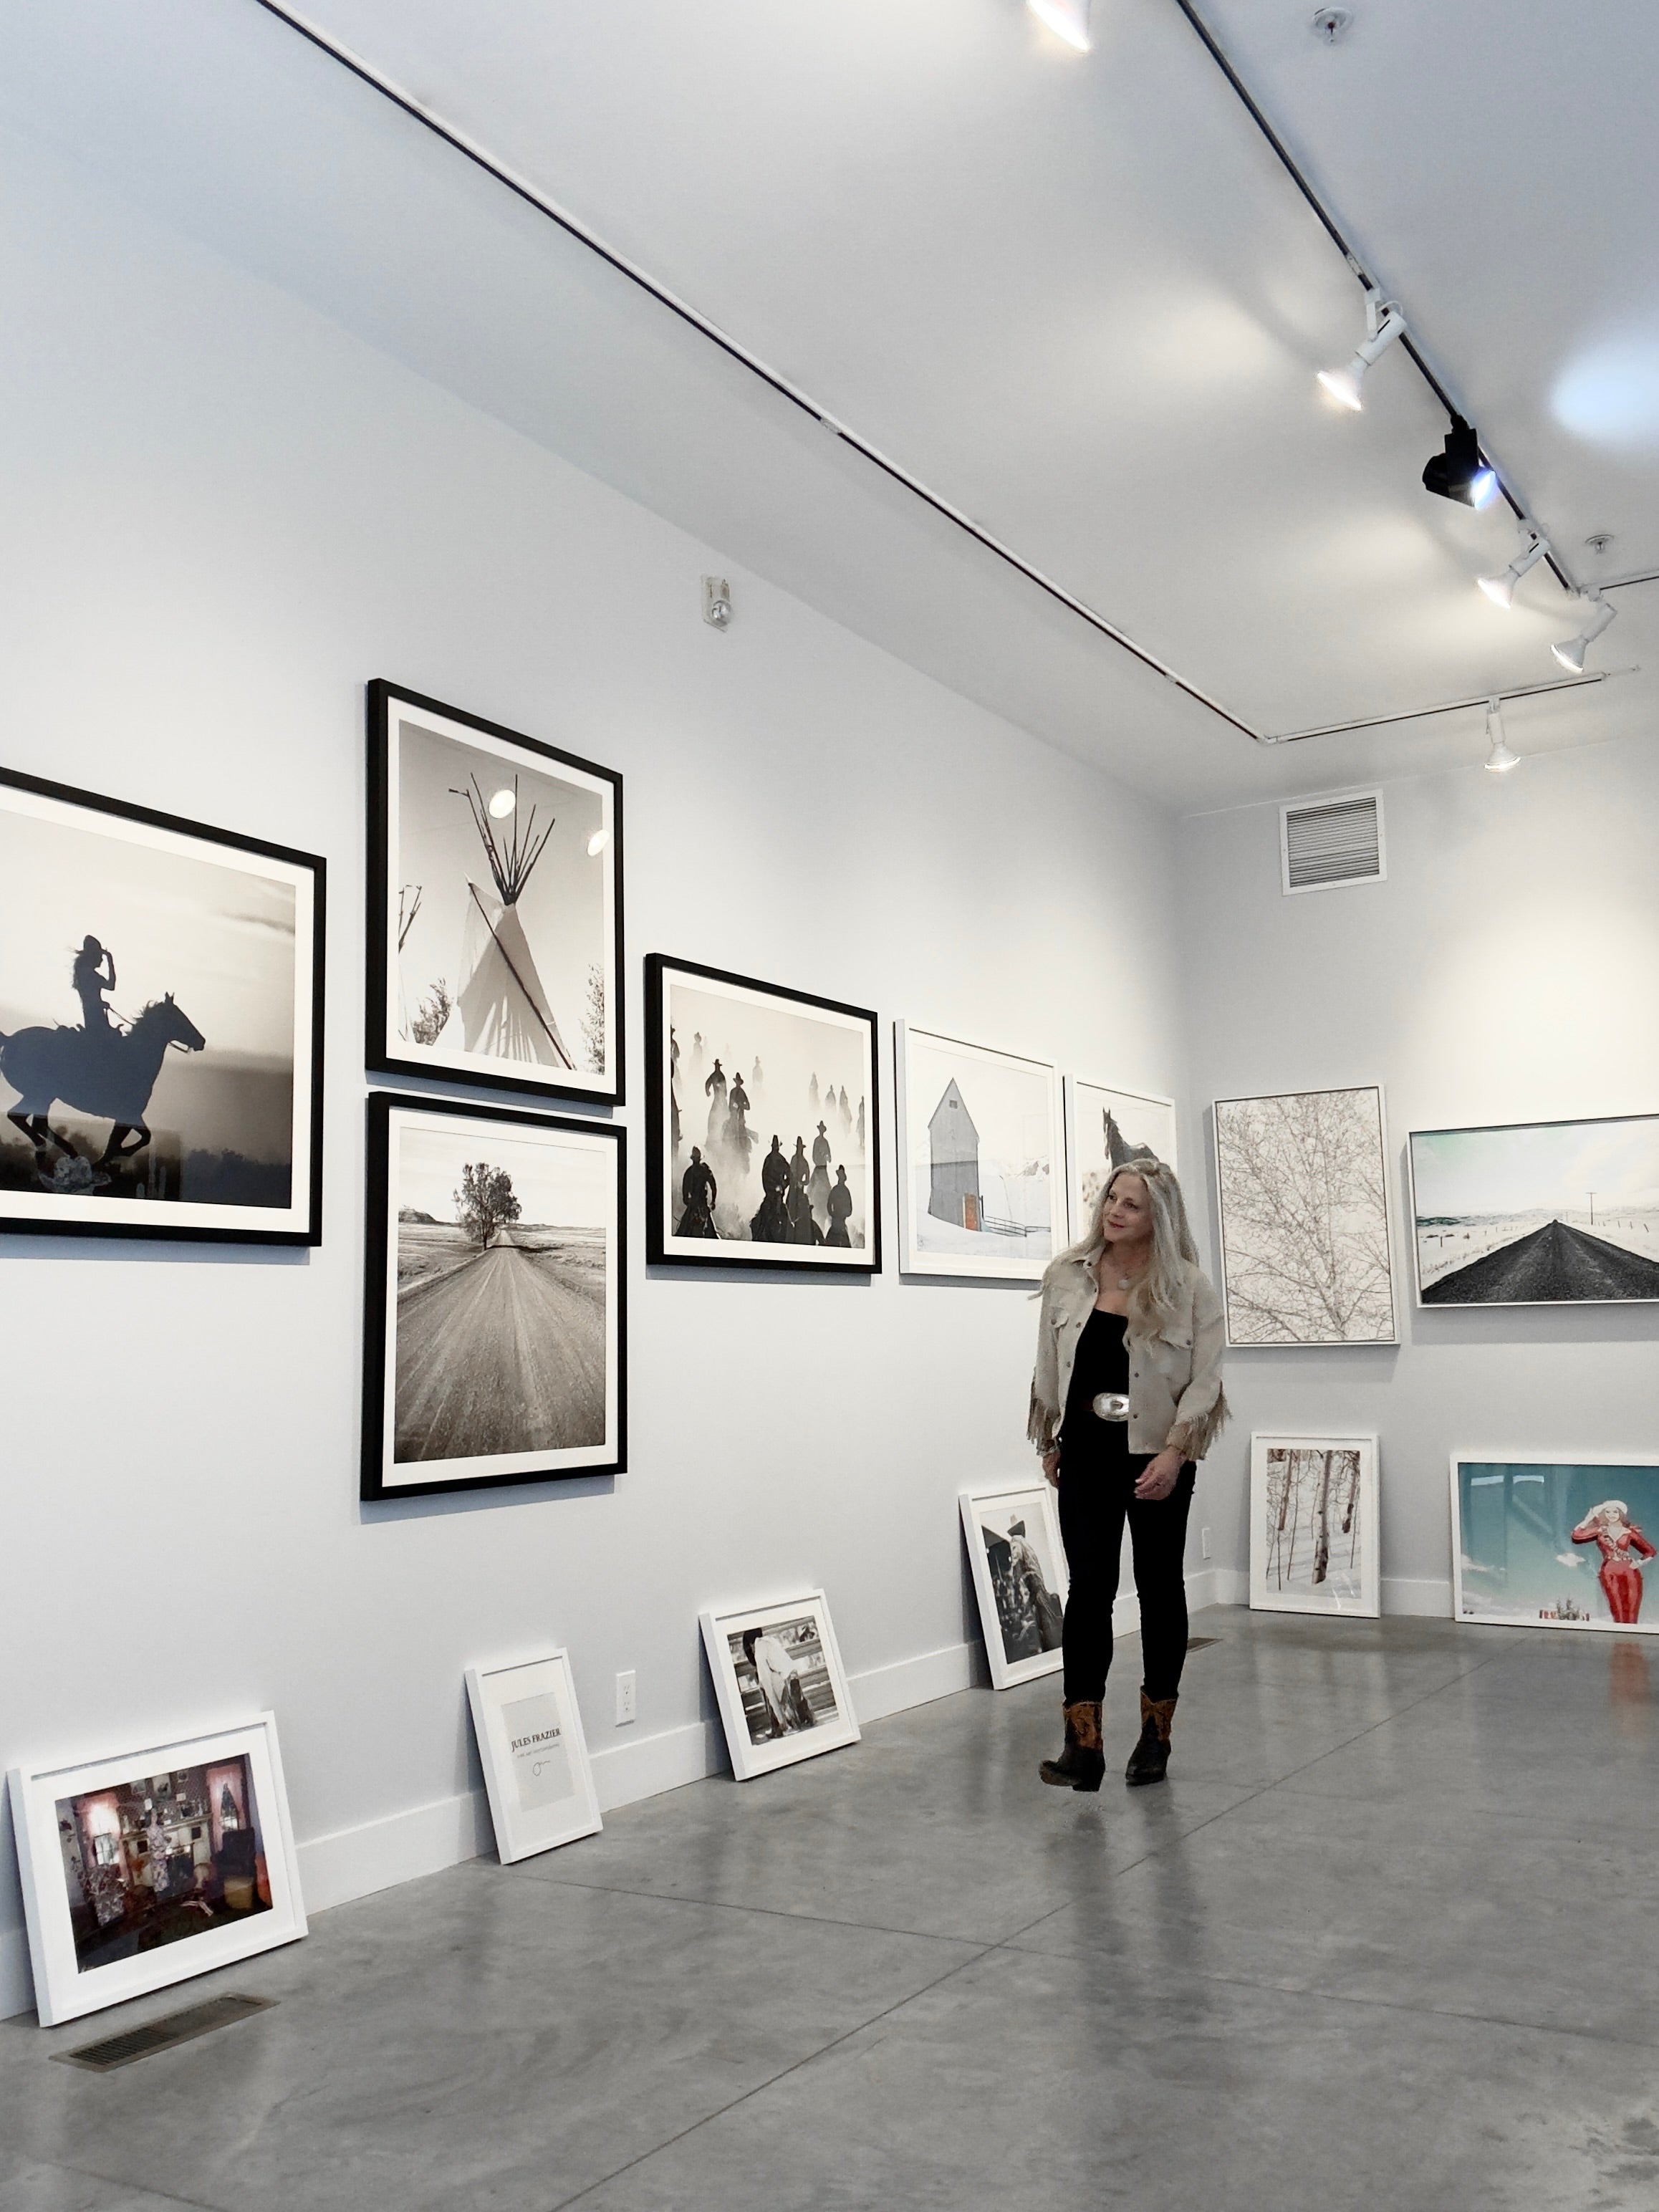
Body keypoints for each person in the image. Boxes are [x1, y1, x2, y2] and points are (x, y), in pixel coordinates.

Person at [1028, 1158, 1226, 1792]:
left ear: (1158, 1215)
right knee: (1088, 1591)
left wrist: (1176, 1454)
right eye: (1112, 1198)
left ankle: (1155, 1737)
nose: (1114, 1210)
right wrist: (1053, 1438)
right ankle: (1082, 1746)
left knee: (1160, 1588)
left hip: (1155, 1458)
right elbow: (1050, 1363)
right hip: (1086, 1452)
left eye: (1131, 1204)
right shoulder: (1068, 1274)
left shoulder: (1189, 1288)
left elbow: (1206, 1382)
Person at [1572, 1500, 1656, 1625]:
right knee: (1617, 1607)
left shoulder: (1629, 1532)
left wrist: (1639, 1563)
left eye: (1615, 1512)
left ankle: (1632, 1635)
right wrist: (1588, 1519)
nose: (1611, 1515)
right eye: (1608, 1512)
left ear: (1621, 1514)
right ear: (1603, 1515)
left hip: (1630, 1570)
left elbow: (1650, 1551)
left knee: (1632, 1607)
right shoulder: (1600, 1531)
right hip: (1609, 1570)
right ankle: (1620, 1636)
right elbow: (1577, 1535)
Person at [751, 1135, 792, 1242]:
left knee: (764, 1218)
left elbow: (789, 1176)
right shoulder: (776, 1160)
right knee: (764, 1219)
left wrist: (781, 1186)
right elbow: (765, 1177)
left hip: (775, 1195)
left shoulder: (773, 1160)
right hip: (772, 1195)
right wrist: (780, 1186)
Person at [678, 1147, 718, 1238]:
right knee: (713, 1234)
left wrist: (690, 1202)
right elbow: (713, 1186)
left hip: (693, 1206)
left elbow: (685, 1197)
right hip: (702, 1206)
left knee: (682, 1231)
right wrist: (713, 1201)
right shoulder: (705, 1170)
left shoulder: (688, 1172)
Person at [825, 1164, 854, 1246]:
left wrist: (838, 1214)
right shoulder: (838, 1190)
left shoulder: (843, 1190)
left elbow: (849, 1210)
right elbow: (829, 1204)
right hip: (837, 1220)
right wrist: (834, 1214)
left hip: (840, 1221)